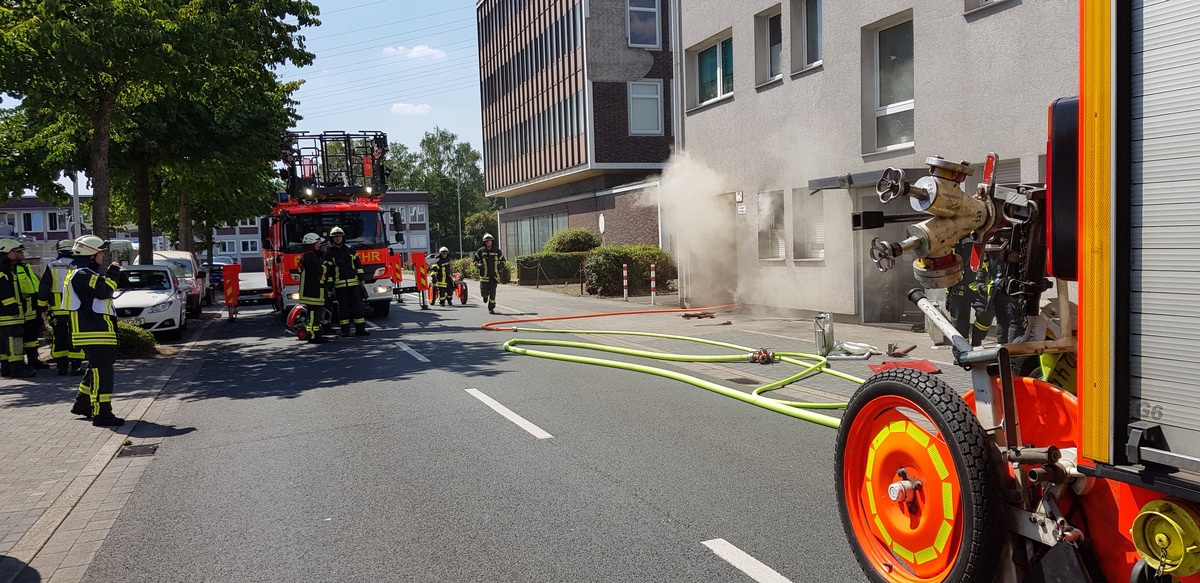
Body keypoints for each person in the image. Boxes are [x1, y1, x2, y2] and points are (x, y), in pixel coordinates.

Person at [64, 236, 124, 426]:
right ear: (90, 254)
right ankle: (102, 414)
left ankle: (83, 404)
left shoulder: (83, 273)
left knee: (96, 370)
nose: (103, 256)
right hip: (94, 331)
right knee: (102, 374)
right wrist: (114, 271)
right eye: (101, 253)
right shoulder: (83, 274)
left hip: (96, 331)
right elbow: (106, 290)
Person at [38, 239, 85, 376]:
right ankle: (76, 368)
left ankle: (61, 367)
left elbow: (44, 288)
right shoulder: (78, 266)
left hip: (57, 310)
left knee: (59, 337)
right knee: (75, 337)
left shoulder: (52, 266)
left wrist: (42, 307)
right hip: (75, 309)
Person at [0, 239, 35, 378]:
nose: (16, 254)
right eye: (14, 251)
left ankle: (6, 369)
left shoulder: (7, 271)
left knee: (4, 347)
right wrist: (13, 308)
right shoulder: (3, 273)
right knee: (15, 343)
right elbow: (4, 293)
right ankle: (17, 369)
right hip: (9, 317)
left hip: (6, 317)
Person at [326, 226, 369, 337]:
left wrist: (362, 278)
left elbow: (358, 265)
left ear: (343, 237)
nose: (337, 238)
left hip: (354, 284)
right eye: (335, 237)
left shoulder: (350, 249)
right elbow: (329, 270)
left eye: (339, 236)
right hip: (340, 286)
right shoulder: (329, 252)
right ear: (332, 239)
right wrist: (330, 285)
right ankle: (345, 330)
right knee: (343, 309)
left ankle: (360, 329)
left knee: (358, 306)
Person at [14, 245, 48, 371]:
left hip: (31, 308)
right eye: (19, 252)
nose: (22, 254)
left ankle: (33, 360)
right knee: (20, 338)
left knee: (32, 337)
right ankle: (19, 364)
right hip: (19, 311)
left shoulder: (24, 267)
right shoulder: (10, 269)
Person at [298, 232, 330, 344]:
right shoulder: (310, 256)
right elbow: (318, 270)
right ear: (312, 243)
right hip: (312, 291)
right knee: (313, 314)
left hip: (313, 290)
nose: (318, 245)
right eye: (317, 243)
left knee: (315, 314)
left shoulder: (308, 255)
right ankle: (313, 335)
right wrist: (326, 266)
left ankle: (315, 334)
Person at [473, 233, 505, 315]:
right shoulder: (481, 251)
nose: (488, 242)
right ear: (484, 242)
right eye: (486, 241)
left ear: (492, 241)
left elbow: (503, 261)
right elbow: (475, 261)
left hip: (494, 276)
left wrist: (500, 266)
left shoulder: (497, 251)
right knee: (484, 292)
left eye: (489, 241)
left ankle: (491, 308)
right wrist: (478, 265)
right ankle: (485, 296)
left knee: (493, 293)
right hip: (484, 276)